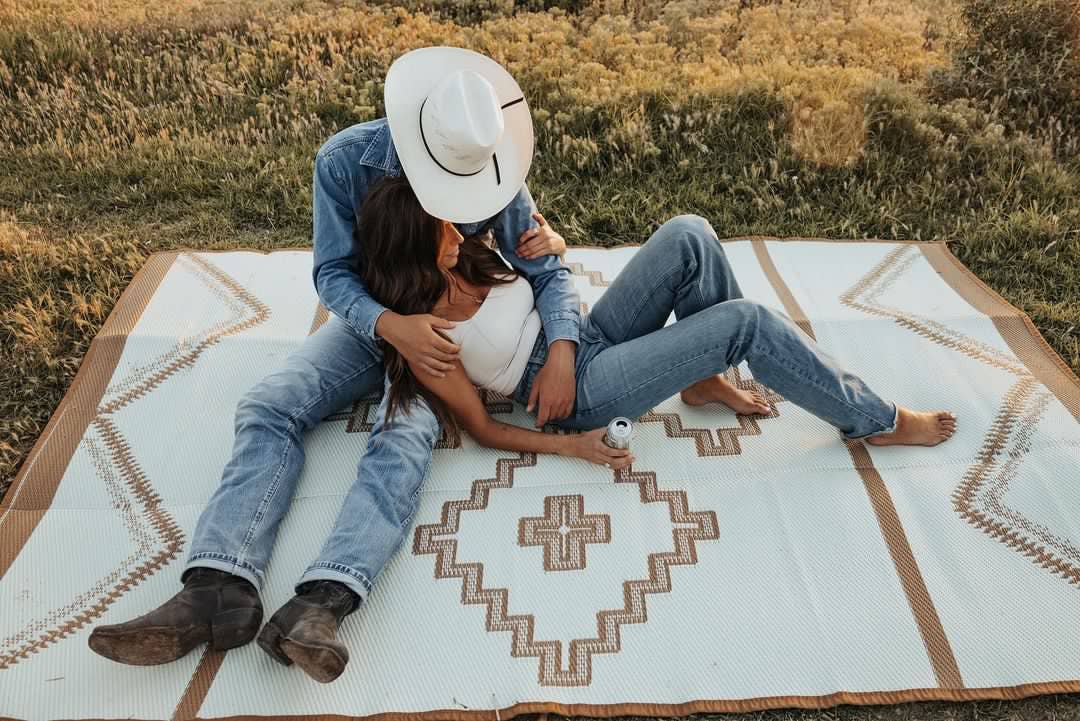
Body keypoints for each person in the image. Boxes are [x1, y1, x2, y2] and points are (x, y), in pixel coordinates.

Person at [86, 47, 580, 683]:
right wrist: (389, 324)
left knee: (402, 433)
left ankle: (322, 603)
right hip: (372, 321)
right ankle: (217, 588)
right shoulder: (344, 162)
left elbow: (544, 265)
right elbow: (333, 274)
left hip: (446, 337)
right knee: (269, 404)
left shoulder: (488, 161)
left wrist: (562, 343)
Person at [357, 173, 960, 473]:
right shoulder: (423, 337)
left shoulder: (464, 252)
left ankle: (700, 381)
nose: (456, 228)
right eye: (440, 226)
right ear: (413, 245)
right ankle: (876, 420)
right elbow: (484, 428)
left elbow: (547, 276)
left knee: (688, 233)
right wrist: (572, 444)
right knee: (744, 323)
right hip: (579, 394)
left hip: (582, 339)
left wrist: (555, 251)